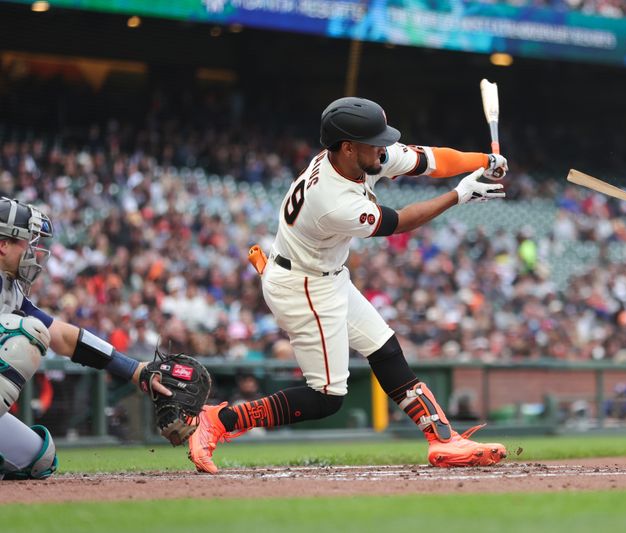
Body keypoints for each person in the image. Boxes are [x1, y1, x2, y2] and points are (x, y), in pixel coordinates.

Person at [188, 96, 509, 472]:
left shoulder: (357, 157)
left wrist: (483, 161)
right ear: (347, 147)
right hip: (302, 286)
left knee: (384, 348)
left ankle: (443, 441)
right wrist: (459, 196)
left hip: (325, 273)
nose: (383, 147)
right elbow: (400, 222)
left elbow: (431, 160)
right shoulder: (333, 200)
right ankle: (217, 422)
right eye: (375, 141)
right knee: (326, 397)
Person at [0, 197, 171, 480]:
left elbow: (63, 336)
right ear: (3, 244)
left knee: (37, 458)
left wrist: (134, 369)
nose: (33, 251)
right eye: (26, 242)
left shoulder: (10, 287)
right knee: (26, 334)